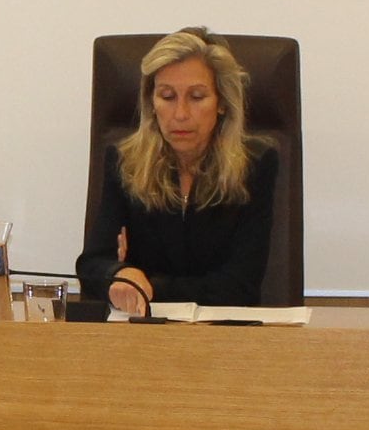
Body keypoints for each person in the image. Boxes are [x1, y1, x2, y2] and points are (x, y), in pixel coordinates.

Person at [76, 28, 279, 317]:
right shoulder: (125, 162)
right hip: (141, 336)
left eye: (196, 97)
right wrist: (117, 274)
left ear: (222, 102)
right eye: (167, 96)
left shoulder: (254, 166)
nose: (180, 113)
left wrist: (147, 284)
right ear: (151, 102)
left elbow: (239, 287)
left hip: (224, 339)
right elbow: (92, 265)